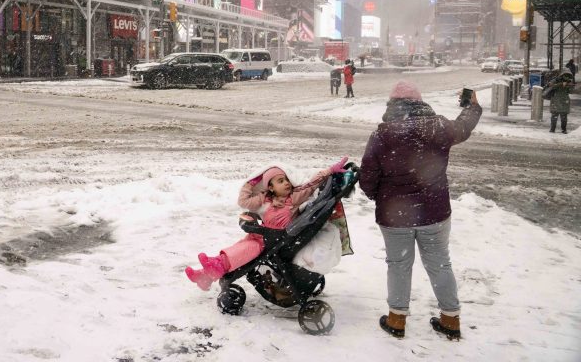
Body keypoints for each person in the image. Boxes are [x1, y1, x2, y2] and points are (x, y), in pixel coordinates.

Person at [359, 80, 482, 340]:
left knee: (399, 265)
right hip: (435, 213)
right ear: (420, 102)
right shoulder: (439, 127)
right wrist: (472, 106)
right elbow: (463, 127)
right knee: (439, 264)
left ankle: (397, 320)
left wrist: (377, 197)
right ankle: (450, 319)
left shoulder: (382, 134)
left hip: (395, 216)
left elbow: (367, 176)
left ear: (392, 105)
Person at [185, 159, 349, 291]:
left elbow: (311, 184)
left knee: (244, 251)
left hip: (271, 241)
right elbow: (243, 201)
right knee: (238, 249)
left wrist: (330, 171)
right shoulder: (264, 198)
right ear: (270, 187)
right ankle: (205, 275)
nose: (286, 183)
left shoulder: (292, 199)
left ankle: (214, 269)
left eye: (286, 180)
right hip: (260, 235)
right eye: (280, 181)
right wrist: (252, 182)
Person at [545, 69, 573, 134]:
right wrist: (561, 84)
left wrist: (568, 85)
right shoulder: (556, 80)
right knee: (554, 115)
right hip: (556, 100)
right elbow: (551, 86)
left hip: (564, 101)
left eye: (568, 76)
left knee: (564, 117)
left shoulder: (569, 82)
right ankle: (552, 129)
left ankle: (564, 129)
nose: (567, 78)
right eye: (565, 76)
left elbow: (570, 91)